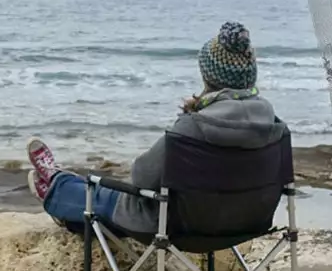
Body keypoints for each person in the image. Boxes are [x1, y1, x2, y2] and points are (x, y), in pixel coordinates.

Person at [25, 21, 289, 238]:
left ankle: (54, 183)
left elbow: (141, 177)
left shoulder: (193, 128)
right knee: (108, 194)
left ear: (209, 77)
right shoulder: (275, 127)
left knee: (104, 194)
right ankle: (59, 180)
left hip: (175, 227)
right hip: (247, 224)